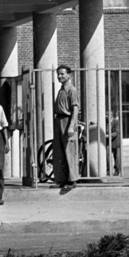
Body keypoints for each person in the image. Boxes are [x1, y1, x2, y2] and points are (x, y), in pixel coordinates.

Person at [51, 65, 78, 194]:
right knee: (59, 151)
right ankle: (61, 180)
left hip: (67, 121)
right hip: (59, 120)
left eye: (62, 74)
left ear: (69, 75)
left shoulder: (71, 90)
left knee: (69, 150)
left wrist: (71, 125)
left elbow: (75, 109)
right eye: (58, 74)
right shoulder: (61, 90)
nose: (60, 76)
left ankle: (72, 180)